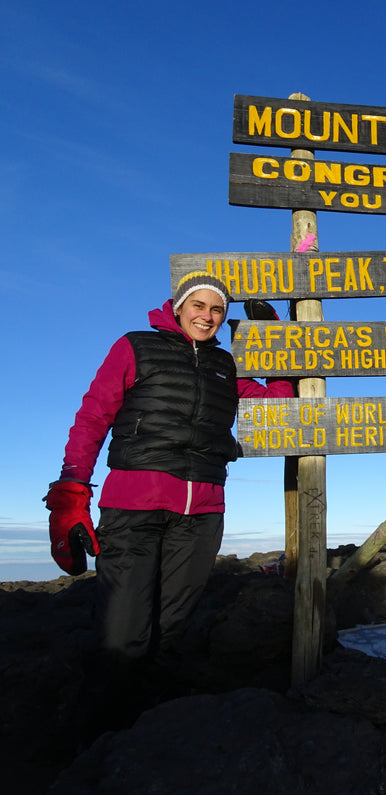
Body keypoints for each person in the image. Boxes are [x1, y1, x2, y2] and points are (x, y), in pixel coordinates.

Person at [44, 272, 293, 697]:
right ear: (178, 306)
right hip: (132, 509)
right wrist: (72, 490)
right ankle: (105, 737)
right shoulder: (135, 346)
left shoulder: (227, 365)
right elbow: (93, 416)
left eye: (217, 309)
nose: (208, 316)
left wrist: (269, 337)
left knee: (172, 628)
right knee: (123, 636)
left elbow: (280, 405)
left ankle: (151, 727)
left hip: (202, 514)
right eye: (199, 305)